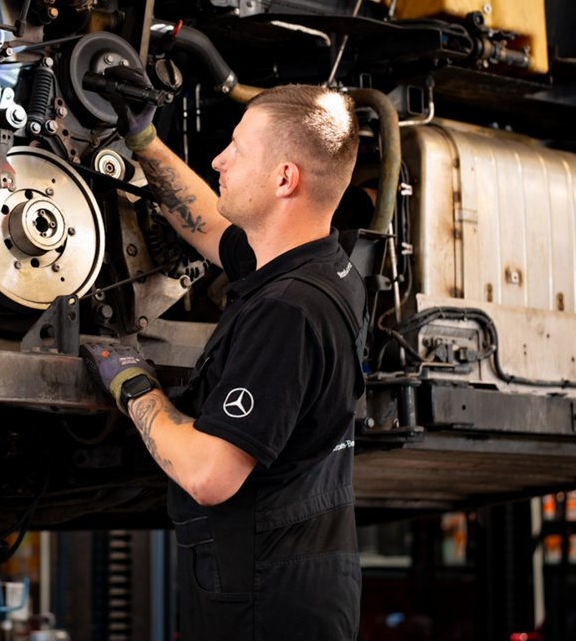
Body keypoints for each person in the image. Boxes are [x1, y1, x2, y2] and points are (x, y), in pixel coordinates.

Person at [82, 72, 366, 640]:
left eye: (237, 149)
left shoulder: (290, 310)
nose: (219, 160)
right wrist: (145, 142)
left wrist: (135, 387)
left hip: (266, 608)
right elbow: (209, 224)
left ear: (285, 178)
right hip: (284, 583)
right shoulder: (316, 263)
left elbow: (210, 475)